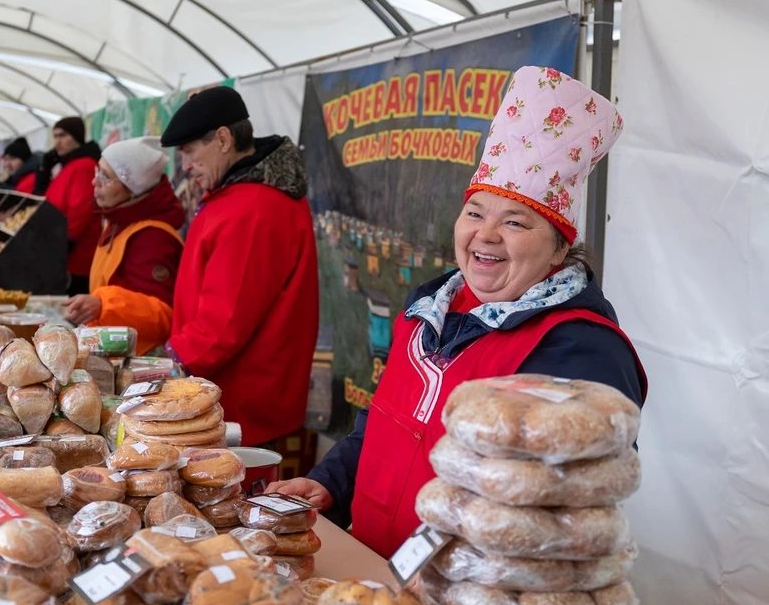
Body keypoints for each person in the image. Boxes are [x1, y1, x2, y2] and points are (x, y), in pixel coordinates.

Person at [267, 66, 648, 558]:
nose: (486, 235)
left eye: (514, 221)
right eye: (475, 213)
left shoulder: (578, 348)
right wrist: (331, 482)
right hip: (374, 573)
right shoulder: (424, 314)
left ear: (559, 251)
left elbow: (585, 503)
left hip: (468, 601)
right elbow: (384, 424)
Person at [160, 86, 319, 447]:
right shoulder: (243, 195)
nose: (184, 166)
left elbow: (223, 325)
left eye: (188, 151)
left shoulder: (253, 208)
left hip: (238, 406)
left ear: (222, 139)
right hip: (238, 398)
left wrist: (172, 363)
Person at [62, 137, 185, 355]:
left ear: (132, 190)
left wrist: (102, 305)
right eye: (97, 172)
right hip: (115, 348)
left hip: (140, 360)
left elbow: (164, 317)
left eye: (106, 177)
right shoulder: (117, 221)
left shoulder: (153, 238)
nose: (94, 182)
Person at [20, 117, 102, 296]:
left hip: (75, 258)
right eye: (55, 136)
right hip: (60, 251)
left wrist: (63, 245)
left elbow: (81, 210)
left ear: (77, 137)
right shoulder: (68, 166)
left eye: (63, 135)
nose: (57, 141)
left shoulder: (84, 166)